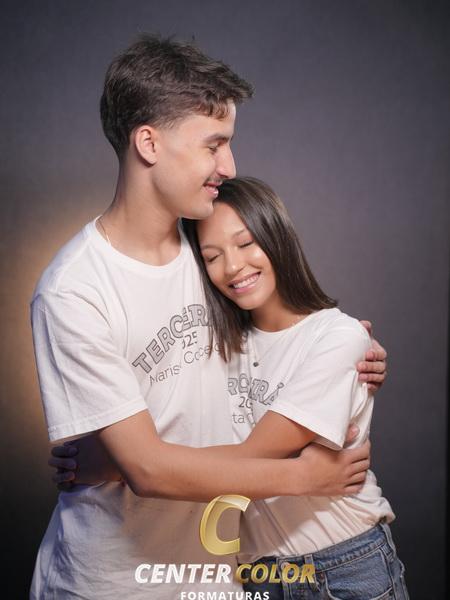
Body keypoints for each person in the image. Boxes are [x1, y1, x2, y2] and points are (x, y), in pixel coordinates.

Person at [34, 35, 386, 599]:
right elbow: (149, 469)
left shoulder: (210, 255)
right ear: (149, 142)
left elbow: (276, 340)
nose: (229, 165)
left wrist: (349, 352)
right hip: (113, 581)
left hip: (219, 573)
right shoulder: (73, 291)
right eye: (214, 144)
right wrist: (302, 475)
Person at [180, 176, 409, 599]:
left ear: (276, 237)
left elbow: (252, 458)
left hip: (345, 566)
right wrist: (112, 451)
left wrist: (125, 466)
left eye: (246, 243)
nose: (232, 266)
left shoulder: (338, 337)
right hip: (257, 574)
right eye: (212, 256)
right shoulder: (216, 350)